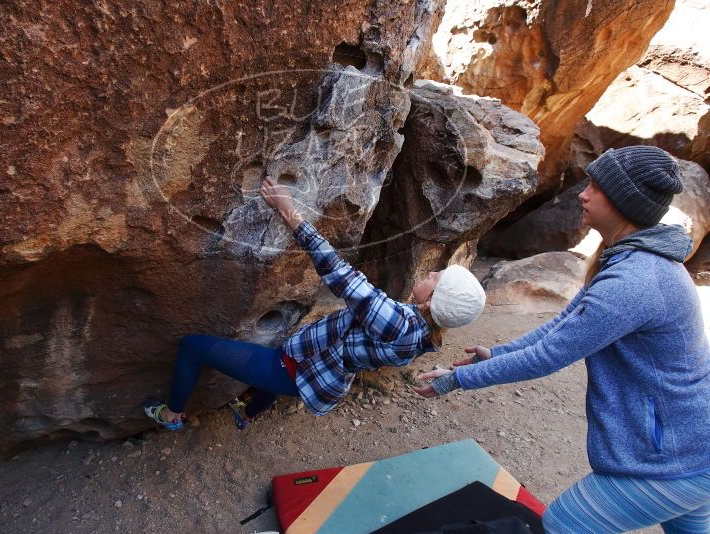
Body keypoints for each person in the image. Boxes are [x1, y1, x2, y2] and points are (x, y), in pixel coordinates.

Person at [414, 146, 710, 533]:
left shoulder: (634, 282)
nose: (582, 194)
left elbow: (549, 356)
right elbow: (563, 327)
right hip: (691, 450)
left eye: (596, 187)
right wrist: (497, 354)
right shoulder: (635, 261)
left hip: (670, 462)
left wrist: (457, 379)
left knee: (559, 525)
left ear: (624, 203)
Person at [144, 176, 486, 431]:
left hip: (292, 369)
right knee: (270, 375)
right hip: (319, 374)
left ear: (432, 302)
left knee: (192, 347)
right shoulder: (425, 334)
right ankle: (246, 413)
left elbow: (340, 273)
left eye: (437, 278)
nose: (431, 273)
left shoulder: (398, 321)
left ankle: (173, 415)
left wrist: (288, 211)